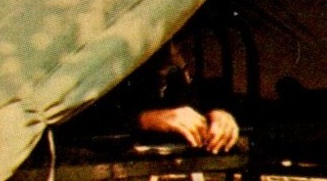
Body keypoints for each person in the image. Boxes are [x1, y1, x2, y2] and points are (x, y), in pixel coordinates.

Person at [68, 38, 240, 153]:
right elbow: (79, 122)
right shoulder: (104, 59)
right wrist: (144, 120)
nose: (175, 53)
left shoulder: (170, 70)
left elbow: (189, 101)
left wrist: (217, 114)